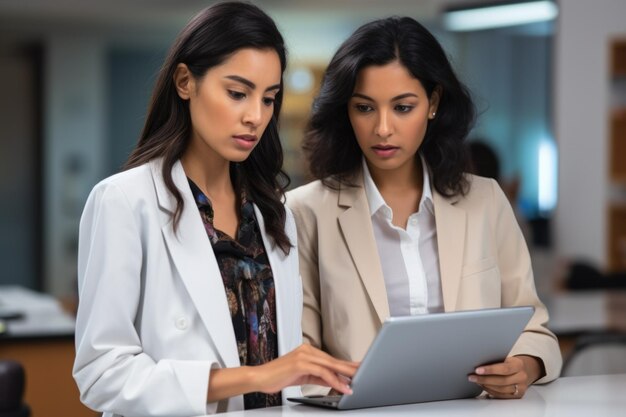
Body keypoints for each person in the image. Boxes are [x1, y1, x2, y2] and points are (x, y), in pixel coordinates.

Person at [72, 3, 356, 416]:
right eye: (237, 93)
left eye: (269, 98)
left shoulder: (272, 212)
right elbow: (101, 375)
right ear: (186, 82)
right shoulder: (124, 201)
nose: (255, 116)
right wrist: (260, 376)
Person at [286, 16, 562, 400]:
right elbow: (299, 357)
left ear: (432, 103)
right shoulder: (305, 211)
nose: (383, 128)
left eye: (402, 107)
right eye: (365, 108)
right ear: (345, 112)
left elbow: (537, 331)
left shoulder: (485, 201)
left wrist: (524, 368)